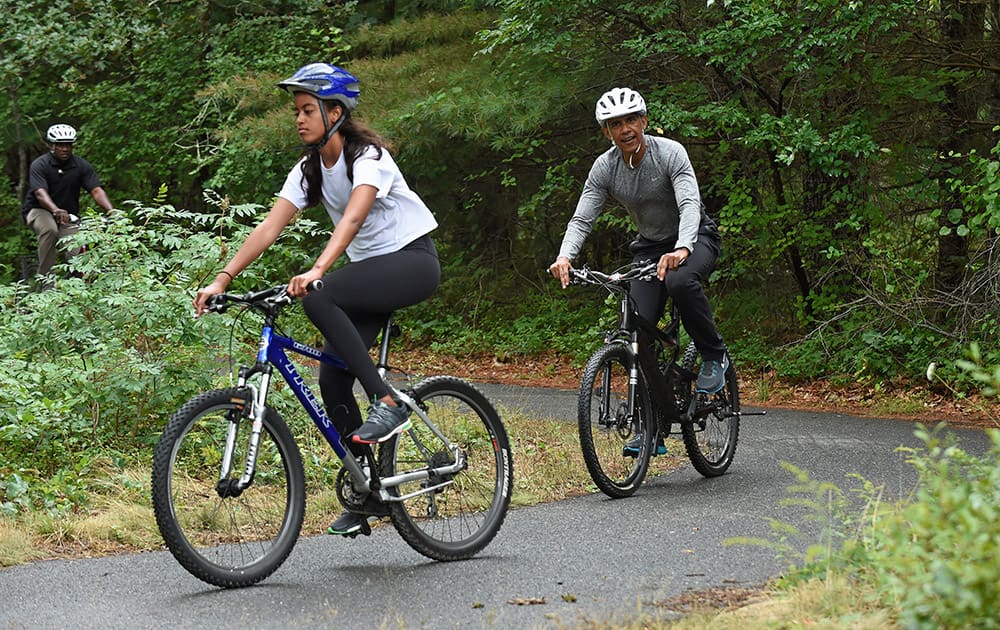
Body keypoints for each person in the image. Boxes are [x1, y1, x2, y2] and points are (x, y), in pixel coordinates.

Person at [193, 63, 440, 537]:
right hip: (372, 274)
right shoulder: (309, 169)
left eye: (308, 110)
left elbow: (351, 218)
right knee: (331, 376)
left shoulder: (368, 157)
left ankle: (386, 399)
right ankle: (370, 490)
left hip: (412, 262)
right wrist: (222, 278)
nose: (299, 119)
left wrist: (319, 270)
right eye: (298, 111)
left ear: (335, 113)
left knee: (320, 299)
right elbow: (269, 226)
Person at [549, 87, 728, 446]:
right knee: (636, 329)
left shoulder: (670, 153)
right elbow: (583, 218)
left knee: (679, 282)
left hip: (694, 237)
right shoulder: (605, 167)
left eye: (632, 120)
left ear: (644, 122)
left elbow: (690, 203)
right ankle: (655, 425)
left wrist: (682, 247)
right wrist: (565, 256)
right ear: (607, 132)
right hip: (649, 247)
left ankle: (713, 356)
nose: (626, 129)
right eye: (616, 124)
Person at [21, 124, 114, 283]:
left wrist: (112, 211)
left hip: (68, 216)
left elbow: (96, 190)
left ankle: (76, 287)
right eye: (60, 145)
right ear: (52, 145)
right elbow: (40, 193)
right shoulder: (40, 165)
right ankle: (46, 284)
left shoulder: (80, 165)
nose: (65, 149)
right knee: (49, 230)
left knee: (77, 245)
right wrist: (56, 209)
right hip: (39, 210)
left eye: (68, 144)